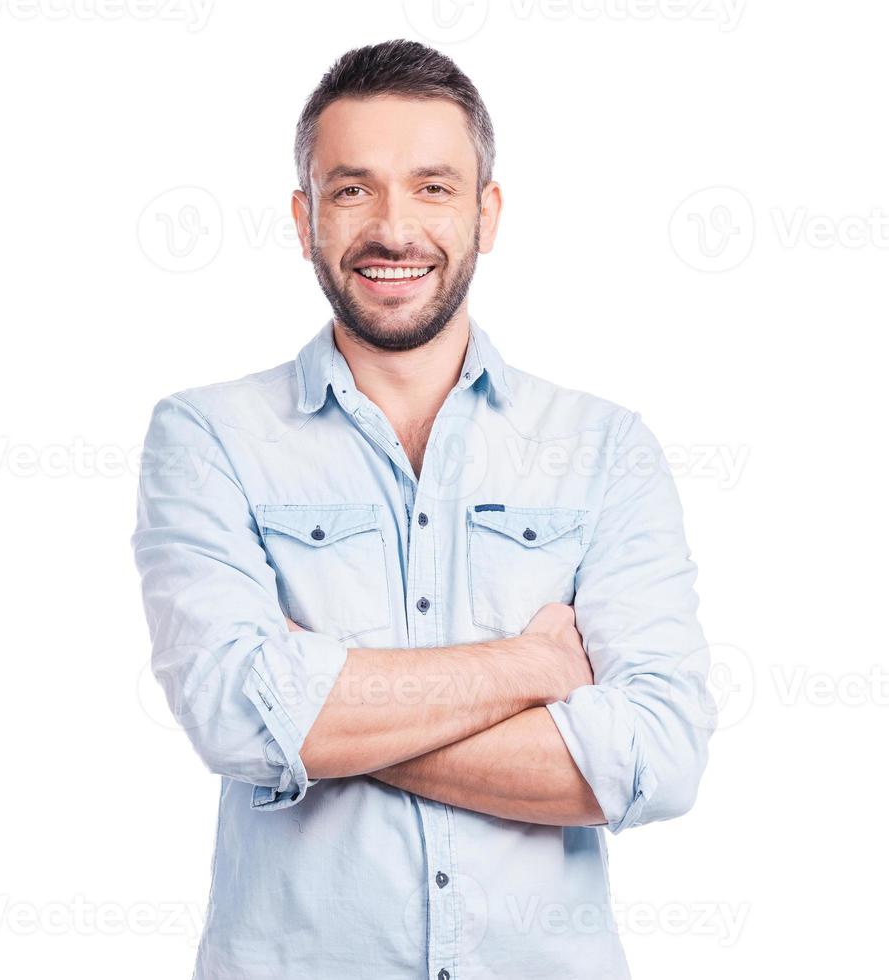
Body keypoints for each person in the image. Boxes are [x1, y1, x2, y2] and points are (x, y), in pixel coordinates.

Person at [132, 38, 714, 979]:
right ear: (303, 216)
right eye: (352, 188)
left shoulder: (603, 450)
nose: (393, 229)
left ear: (486, 213)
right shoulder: (209, 437)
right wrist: (527, 667)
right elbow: (234, 715)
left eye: (433, 187)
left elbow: (656, 756)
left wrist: (321, 710)